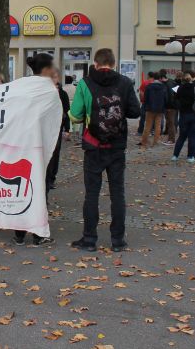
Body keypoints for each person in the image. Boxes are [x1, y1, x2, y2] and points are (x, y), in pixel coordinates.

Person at [69, 48, 141, 252]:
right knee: (117, 193)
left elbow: (75, 116)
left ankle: (89, 239)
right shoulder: (125, 83)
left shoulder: (85, 83)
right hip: (117, 146)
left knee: (92, 194)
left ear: (96, 63)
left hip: (93, 146)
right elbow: (135, 112)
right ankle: (118, 240)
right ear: (114, 63)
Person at [13, 54, 58, 247]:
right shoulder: (49, 91)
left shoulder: (21, 86)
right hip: (39, 147)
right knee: (39, 188)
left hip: (20, 145)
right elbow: (54, 122)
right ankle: (38, 233)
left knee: (22, 188)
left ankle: (19, 233)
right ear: (47, 69)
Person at [170, 72, 195, 163]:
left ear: (182, 80)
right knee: (193, 136)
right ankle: (190, 156)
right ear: (191, 79)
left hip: (184, 114)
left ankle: (175, 155)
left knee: (182, 136)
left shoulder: (180, 89)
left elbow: (174, 100)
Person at [140, 72, 166, 148]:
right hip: (160, 109)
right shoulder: (163, 87)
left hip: (150, 108)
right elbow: (165, 98)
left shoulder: (149, 86)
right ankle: (156, 142)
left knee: (148, 125)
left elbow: (145, 98)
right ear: (160, 78)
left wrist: (145, 106)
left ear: (153, 78)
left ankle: (144, 142)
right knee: (157, 126)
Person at [160, 71, 178, 146]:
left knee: (171, 123)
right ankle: (170, 139)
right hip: (173, 106)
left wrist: (168, 106)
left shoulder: (167, 84)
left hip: (170, 107)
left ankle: (171, 140)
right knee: (171, 123)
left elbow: (170, 97)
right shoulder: (172, 82)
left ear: (162, 78)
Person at [136, 72, 154, 136]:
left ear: (148, 76)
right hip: (153, 103)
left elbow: (141, 93)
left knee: (143, 117)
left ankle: (140, 131)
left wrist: (141, 100)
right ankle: (152, 131)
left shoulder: (145, 83)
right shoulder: (156, 83)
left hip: (145, 103)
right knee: (152, 117)